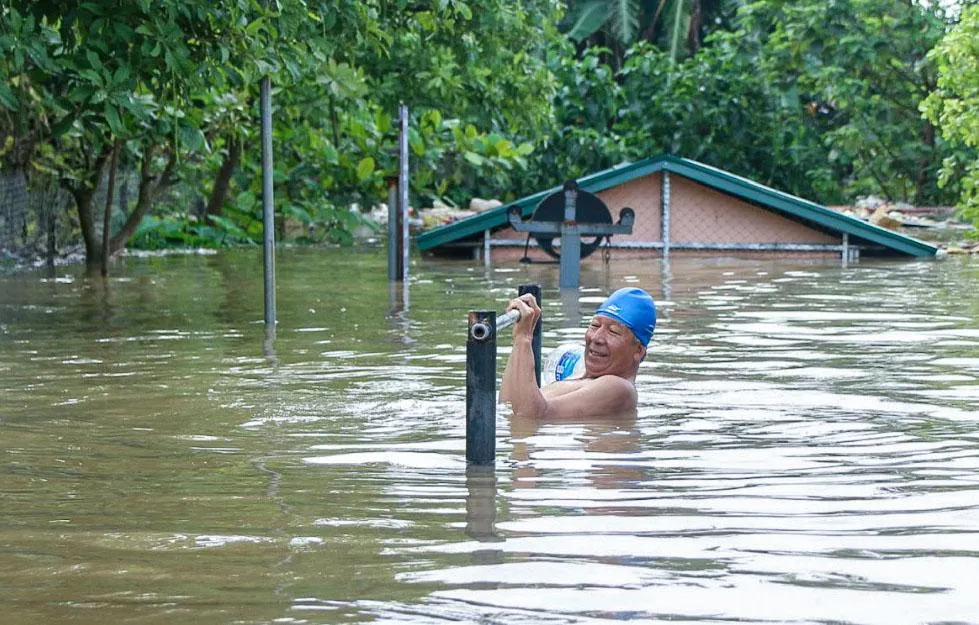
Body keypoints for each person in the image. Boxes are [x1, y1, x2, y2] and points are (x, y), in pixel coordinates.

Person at [500, 287, 656, 419]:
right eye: (595, 325)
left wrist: (524, 338)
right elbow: (507, 405)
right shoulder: (580, 375)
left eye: (613, 332)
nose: (596, 338)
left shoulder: (619, 388)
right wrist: (522, 332)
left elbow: (529, 417)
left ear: (638, 351)